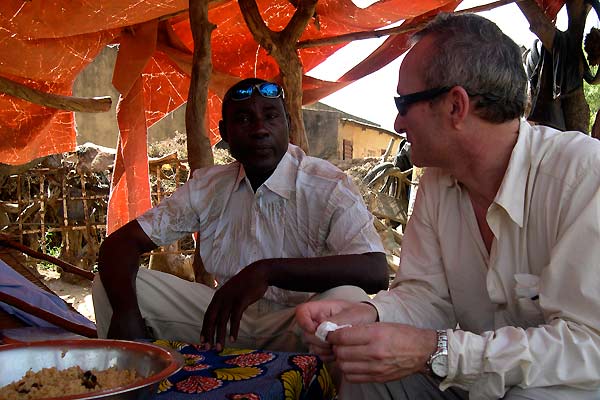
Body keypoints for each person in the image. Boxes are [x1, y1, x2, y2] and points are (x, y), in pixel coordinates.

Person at [296, 12, 600, 400]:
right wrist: (370, 315)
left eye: (403, 103)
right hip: (473, 376)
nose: (397, 122)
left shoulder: (582, 177)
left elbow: (587, 345)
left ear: (456, 106)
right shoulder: (439, 182)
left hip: (565, 387)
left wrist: (435, 350)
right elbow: (426, 296)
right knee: (367, 371)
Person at [92, 77, 389, 352]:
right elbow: (119, 245)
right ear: (225, 133)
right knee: (111, 285)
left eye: (271, 117)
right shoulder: (209, 186)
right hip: (224, 320)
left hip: (302, 321)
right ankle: (130, 382)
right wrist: (126, 312)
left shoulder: (327, 185)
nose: (260, 128)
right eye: (244, 119)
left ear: (288, 124)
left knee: (351, 300)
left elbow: (374, 271)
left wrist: (267, 271)